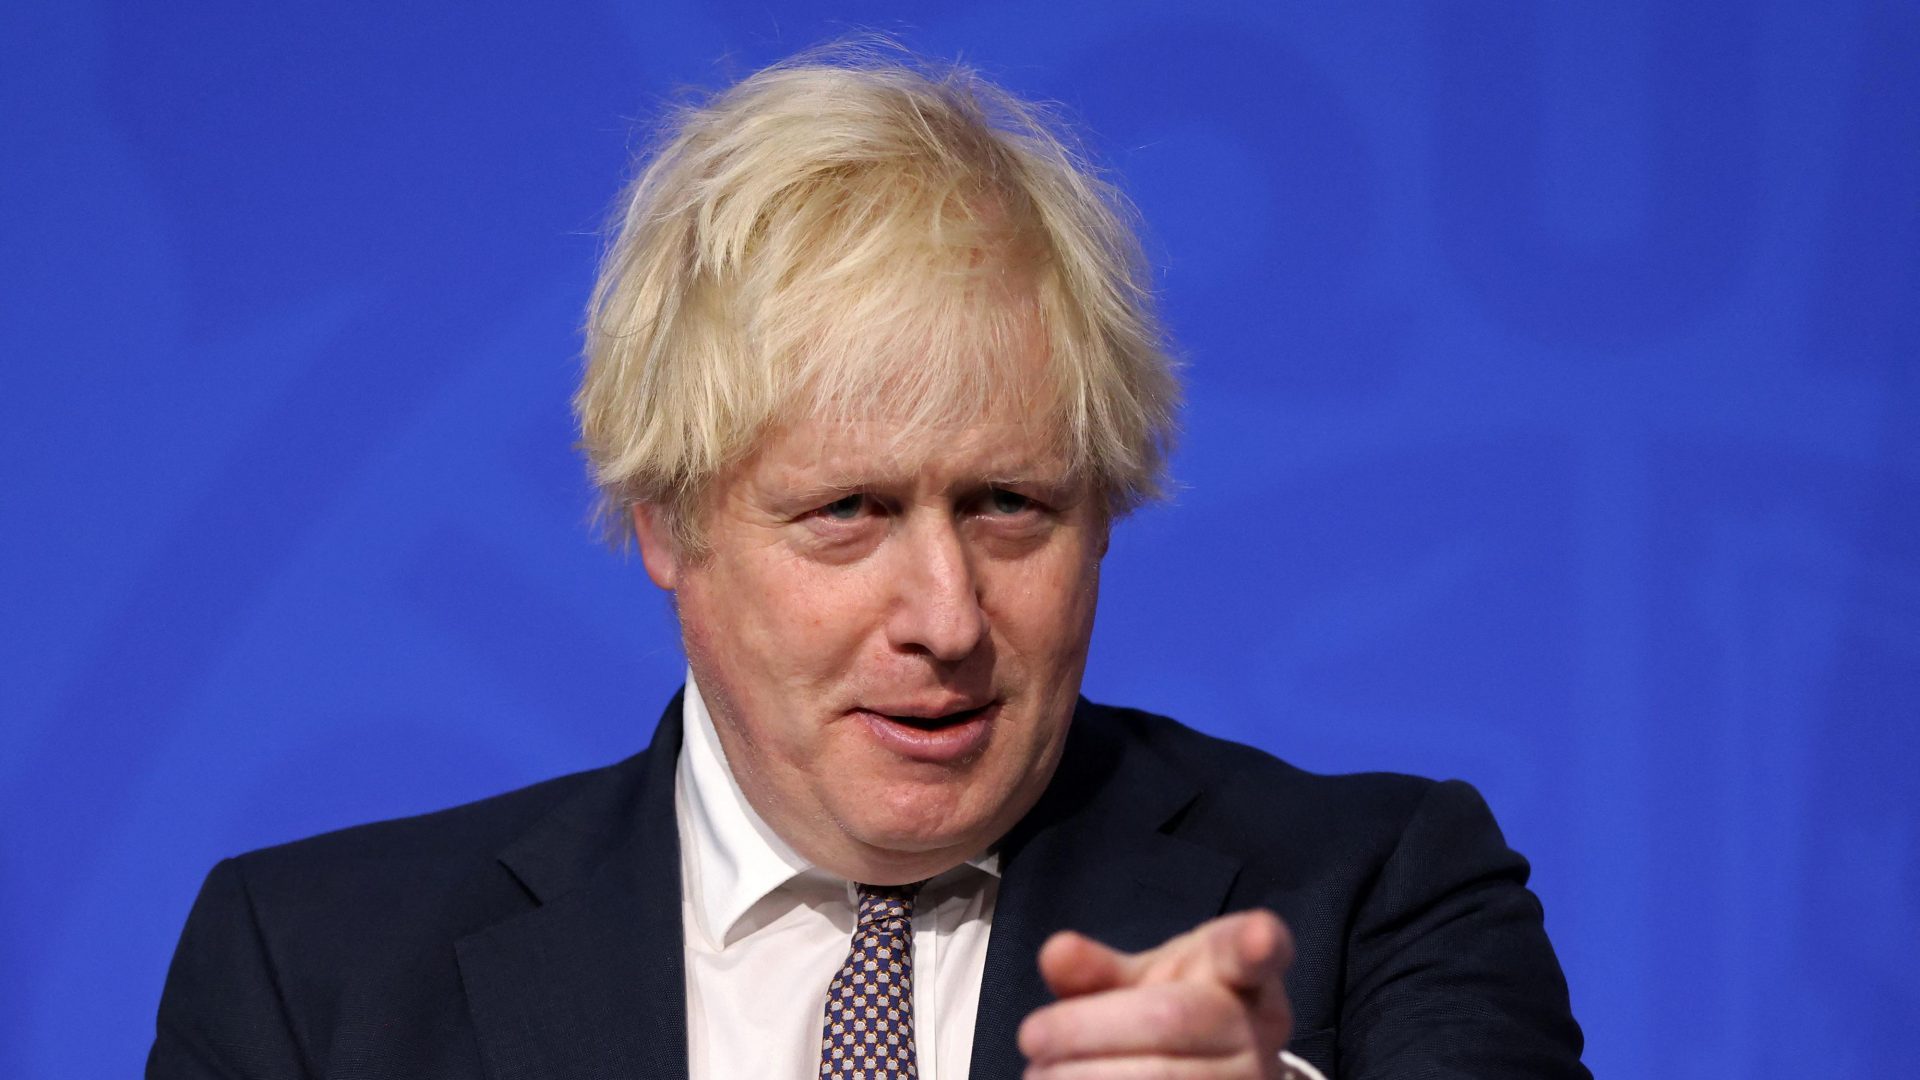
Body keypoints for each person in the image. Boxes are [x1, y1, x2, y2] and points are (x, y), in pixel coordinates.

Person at [148, 46, 1587, 1080]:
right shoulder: (311, 975)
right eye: (846, 511)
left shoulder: (1378, 897)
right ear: (667, 523)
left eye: (1011, 504)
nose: (947, 617)